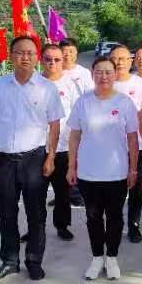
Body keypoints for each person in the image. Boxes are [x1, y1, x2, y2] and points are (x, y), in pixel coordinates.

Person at [0, 36, 64, 282]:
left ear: (37, 57)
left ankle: (34, 261)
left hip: (34, 158)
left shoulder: (47, 88)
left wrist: (51, 157)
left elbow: (54, 125)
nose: (25, 57)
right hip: (5, 159)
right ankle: (9, 261)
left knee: (36, 213)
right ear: (11, 55)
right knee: (6, 212)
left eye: (30, 53)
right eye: (19, 52)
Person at [67, 56, 139, 281]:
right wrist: (71, 166)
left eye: (108, 72)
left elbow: (133, 139)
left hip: (117, 172)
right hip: (88, 172)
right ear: (92, 74)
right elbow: (74, 136)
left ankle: (112, 257)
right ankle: (97, 257)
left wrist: (133, 169)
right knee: (93, 217)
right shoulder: (83, 102)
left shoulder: (125, 103)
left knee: (115, 217)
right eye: (99, 72)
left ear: (115, 74)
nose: (104, 76)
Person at [110, 44, 142, 243]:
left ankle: (133, 225)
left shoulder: (140, 84)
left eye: (123, 58)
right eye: (115, 58)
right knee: (114, 187)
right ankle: (114, 223)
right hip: (110, 146)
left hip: (135, 145)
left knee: (135, 187)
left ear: (130, 61)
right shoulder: (105, 83)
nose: (119, 62)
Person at [41, 43, 81, 242]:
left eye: (57, 59)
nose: (53, 63)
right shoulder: (34, 83)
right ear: (41, 60)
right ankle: (35, 228)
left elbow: (78, 118)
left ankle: (62, 225)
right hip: (37, 147)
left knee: (62, 192)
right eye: (48, 59)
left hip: (63, 147)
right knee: (35, 193)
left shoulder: (70, 84)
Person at [59, 37, 92, 207]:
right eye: (64, 52)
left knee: (77, 158)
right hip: (59, 124)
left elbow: (90, 96)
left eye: (71, 51)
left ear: (76, 53)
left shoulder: (83, 73)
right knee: (61, 160)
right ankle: (62, 193)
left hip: (78, 123)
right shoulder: (56, 72)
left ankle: (77, 193)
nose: (67, 55)